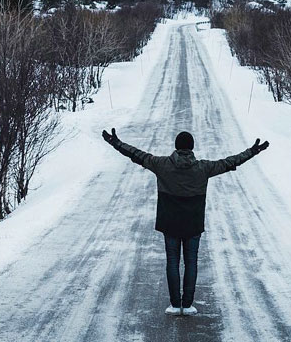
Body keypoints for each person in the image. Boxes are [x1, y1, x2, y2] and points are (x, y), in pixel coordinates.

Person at [101, 127, 269, 316]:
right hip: (193, 224)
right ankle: (187, 305)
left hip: (170, 223)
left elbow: (136, 155)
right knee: (191, 262)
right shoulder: (203, 168)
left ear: (176, 147)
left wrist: (116, 143)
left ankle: (174, 305)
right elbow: (229, 162)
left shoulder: (161, 164)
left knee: (172, 262)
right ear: (192, 148)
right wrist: (252, 151)